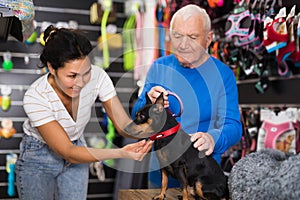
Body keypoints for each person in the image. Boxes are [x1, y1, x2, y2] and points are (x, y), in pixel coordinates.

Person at [15, 25, 153, 200]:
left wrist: (154, 128)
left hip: (77, 146)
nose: (81, 82)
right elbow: (68, 152)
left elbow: (124, 126)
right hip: (39, 156)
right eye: (72, 76)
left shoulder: (98, 77)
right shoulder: (35, 97)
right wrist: (121, 152)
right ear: (51, 68)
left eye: (86, 73)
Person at [131, 4, 242, 188]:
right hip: (160, 178)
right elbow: (137, 116)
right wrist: (147, 101)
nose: (183, 44)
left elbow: (233, 126)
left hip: (200, 178)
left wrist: (213, 138)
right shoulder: (159, 67)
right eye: (177, 36)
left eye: (192, 37)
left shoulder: (223, 75)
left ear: (208, 39)